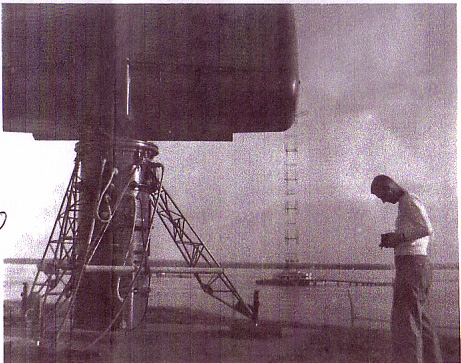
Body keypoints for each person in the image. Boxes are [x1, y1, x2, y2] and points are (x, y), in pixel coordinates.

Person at [370, 175, 443, 363]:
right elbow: (419, 232)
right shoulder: (407, 203)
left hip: (411, 266)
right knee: (422, 323)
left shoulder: (409, 201)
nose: (384, 201)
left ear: (389, 188)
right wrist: (395, 238)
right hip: (417, 266)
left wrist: (398, 238)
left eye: (382, 196)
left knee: (408, 325)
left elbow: (426, 229)